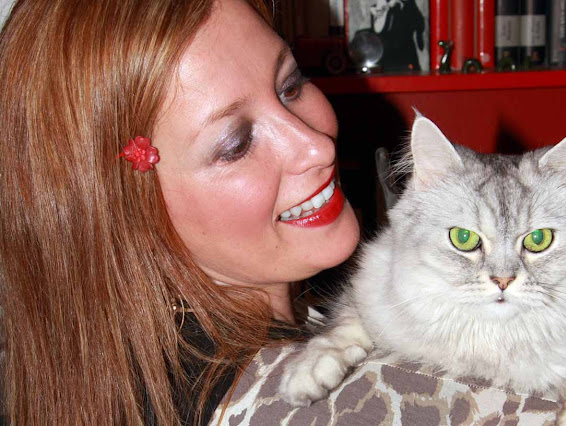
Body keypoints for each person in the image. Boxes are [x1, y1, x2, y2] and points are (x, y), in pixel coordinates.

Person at [0, 0, 359, 424]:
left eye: (291, 86)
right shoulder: (329, 408)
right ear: (133, 214)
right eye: (237, 145)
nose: (317, 147)